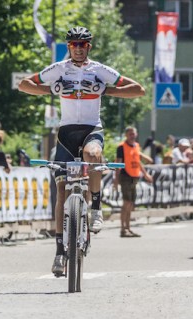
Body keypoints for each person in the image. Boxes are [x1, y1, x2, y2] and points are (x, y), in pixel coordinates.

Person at [18, 26, 145, 275]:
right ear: (69, 47)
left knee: (94, 154)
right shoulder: (59, 69)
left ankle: (96, 209)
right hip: (66, 134)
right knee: (62, 192)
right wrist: (52, 89)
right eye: (74, 44)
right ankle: (58, 252)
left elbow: (138, 90)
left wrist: (104, 89)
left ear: (89, 47)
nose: (77, 48)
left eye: (82, 44)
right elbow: (24, 85)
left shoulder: (99, 70)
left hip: (90, 130)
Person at [114, 127, 152, 238]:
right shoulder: (121, 147)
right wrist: (116, 179)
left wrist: (145, 174)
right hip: (125, 176)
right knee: (126, 203)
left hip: (135, 176)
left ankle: (128, 228)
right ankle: (123, 229)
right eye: (130, 134)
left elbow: (138, 161)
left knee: (130, 204)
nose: (132, 135)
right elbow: (118, 163)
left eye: (134, 133)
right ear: (126, 135)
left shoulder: (136, 146)